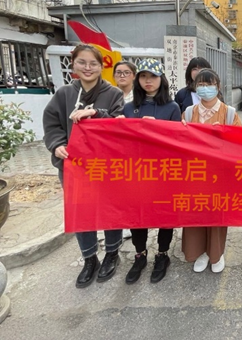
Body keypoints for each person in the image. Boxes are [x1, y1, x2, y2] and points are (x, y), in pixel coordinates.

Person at [43, 44, 124, 288]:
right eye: (82, 62)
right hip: (74, 166)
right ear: (73, 65)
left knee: (110, 209)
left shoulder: (114, 94)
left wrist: (96, 113)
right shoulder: (64, 94)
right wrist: (57, 144)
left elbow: (119, 124)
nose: (87, 68)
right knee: (81, 211)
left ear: (101, 66)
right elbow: (52, 125)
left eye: (93, 63)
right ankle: (89, 258)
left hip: (105, 165)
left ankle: (112, 253)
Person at [121, 58, 181, 284]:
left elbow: (177, 142)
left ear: (161, 79)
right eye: (144, 76)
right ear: (138, 80)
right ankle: (140, 254)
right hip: (136, 172)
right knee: (137, 216)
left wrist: (156, 128)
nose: (148, 81)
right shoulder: (129, 108)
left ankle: (162, 254)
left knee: (164, 214)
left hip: (164, 172)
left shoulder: (172, 107)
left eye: (153, 76)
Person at [181, 69, 242, 274]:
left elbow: (240, 144)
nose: (205, 88)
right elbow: (179, 143)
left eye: (209, 84)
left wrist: (224, 135)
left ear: (218, 86)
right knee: (195, 214)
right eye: (200, 85)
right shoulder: (189, 112)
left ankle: (216, 253)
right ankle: (199, 252)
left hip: (219, 175)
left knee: (217, 215)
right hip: (194, 173)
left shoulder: (229, 113)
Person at [113, 60, 137, 240]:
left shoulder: (139, 97)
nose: (122, 76)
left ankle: (131, 222)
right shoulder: (110, 95)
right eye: (118, 72)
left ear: (133, 76)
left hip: (134, 150)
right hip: (114, 149)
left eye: (126, 72)